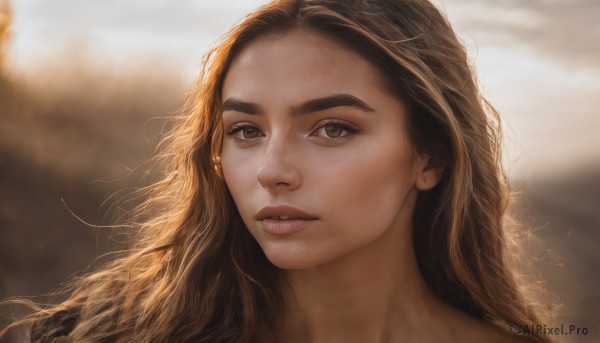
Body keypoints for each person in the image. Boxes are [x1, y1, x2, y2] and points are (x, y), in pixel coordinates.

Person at [1, 0, 552, 342]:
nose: (272, 171)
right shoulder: (98, 338)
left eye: (333, 128)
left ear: (430, 156)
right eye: (246, 131)